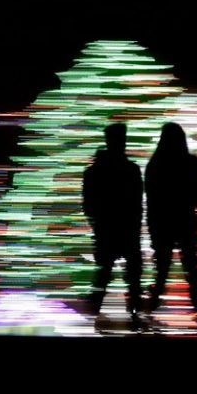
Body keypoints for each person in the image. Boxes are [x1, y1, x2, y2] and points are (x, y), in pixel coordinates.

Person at [145, 122, 197, 313]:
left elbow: (152, 200)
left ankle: (152, 306)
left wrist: (151, 226)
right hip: (186, 222)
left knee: (161, 270)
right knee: (191, 269)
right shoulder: (190, 162)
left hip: (162, 223)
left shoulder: (155, 164)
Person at [82, 123, 143, 317]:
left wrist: (96, 222)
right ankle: (134, 309)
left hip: (106, 227)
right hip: (125, 227)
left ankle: (95, 308)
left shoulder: (95, 170)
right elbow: (136, 201)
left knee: (104, 269)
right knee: (130, 271)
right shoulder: (131, 169)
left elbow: (88, 202)